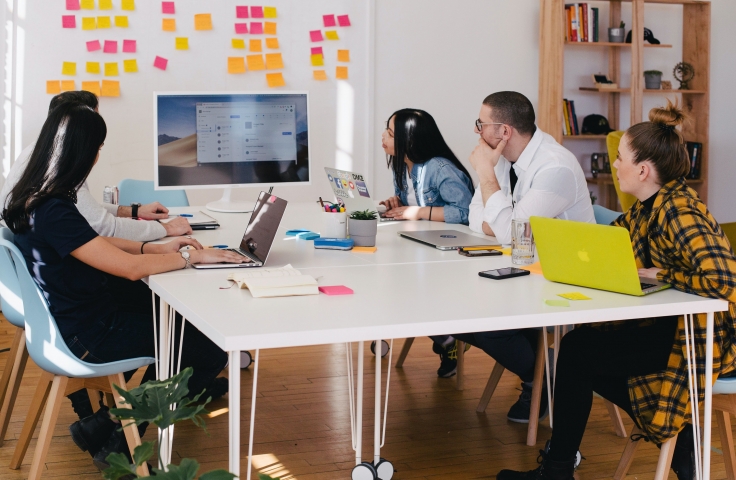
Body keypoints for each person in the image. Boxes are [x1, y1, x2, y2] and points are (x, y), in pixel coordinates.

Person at [2, 103, 248, 470]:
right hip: (88, 335)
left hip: (72, 318)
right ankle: (115, 436)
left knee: (180, 325)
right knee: (204, 347)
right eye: (98, 149)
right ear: (83, 151)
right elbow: (131, 269)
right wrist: (189, 258)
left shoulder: (33, 198)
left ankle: (105, 424)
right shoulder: (55, 209)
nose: (99, 156)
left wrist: (157, 247)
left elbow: (98, 245)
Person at [497, 101, 736, 480]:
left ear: (642, 169)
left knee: (577, 352)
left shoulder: (679, 210)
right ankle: (679, 445)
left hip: (698, 337)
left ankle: (565, 469)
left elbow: (725, 279)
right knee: (581, 352)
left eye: (620, 158)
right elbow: (609, 244)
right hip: (669, 325)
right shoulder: (647, 206)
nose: (614, 164)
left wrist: (661, 273)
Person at [432, 92, 596, 423]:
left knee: (490, 325)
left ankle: (546, 380)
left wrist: (487, 178)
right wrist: (504, 220)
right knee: (451, 314)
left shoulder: (555, 167)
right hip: (524, 267)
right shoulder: (505, 160)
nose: (477, 132)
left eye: (482, 124)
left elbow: (508, 231)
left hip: (563, 275)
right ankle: (542, 372)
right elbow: (474, 216)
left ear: (503, 131)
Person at [0, 90, 191, 241]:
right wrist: (165, 229)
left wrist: (134, 211)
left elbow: (81, 210)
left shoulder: (38, 153)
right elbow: (103, 227)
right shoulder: (59, 166)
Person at [379, 108, 474, 224]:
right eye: (386, 130)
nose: (383, 135)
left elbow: (465, 212)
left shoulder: (440, 168)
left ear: (410, 141)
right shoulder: (401, 165)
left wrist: (419, 212)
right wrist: (399, 204)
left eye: (390, 134)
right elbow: (414, 203)